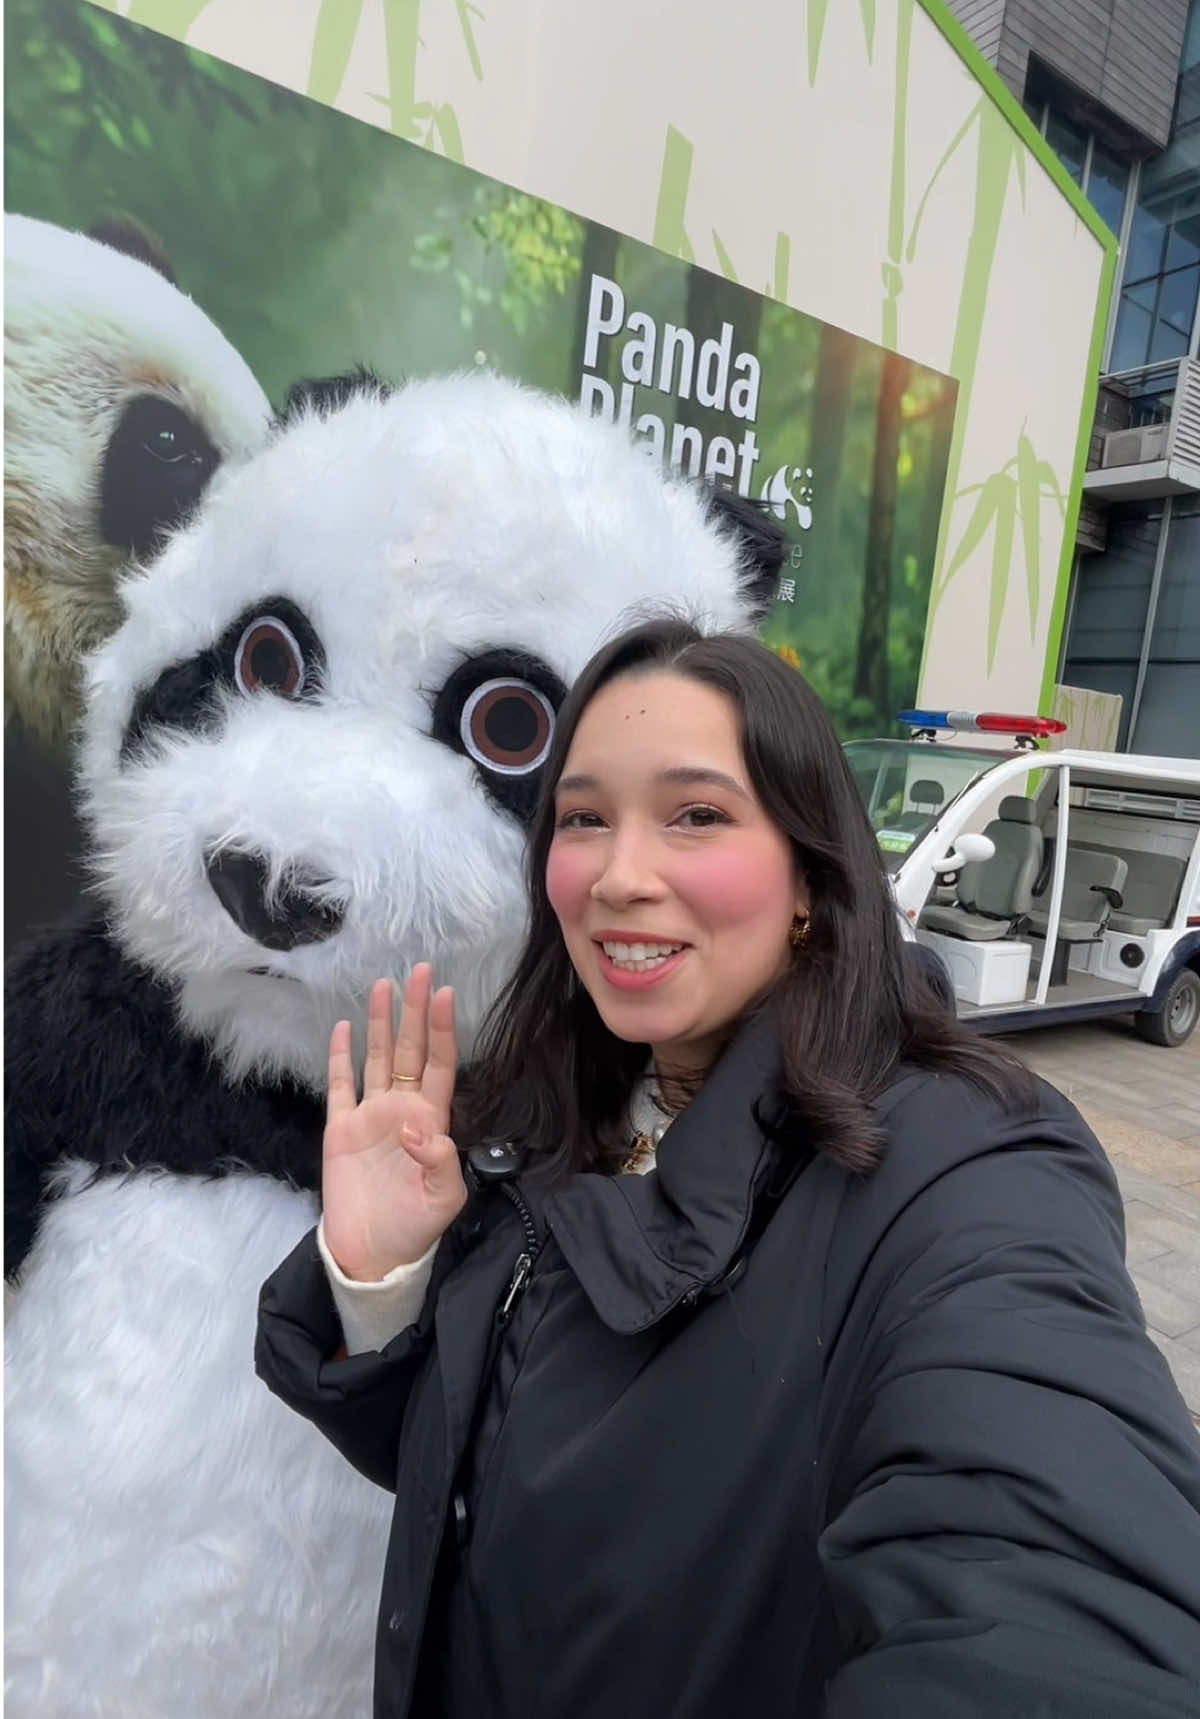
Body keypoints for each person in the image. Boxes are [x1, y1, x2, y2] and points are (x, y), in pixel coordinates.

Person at [256, 616, 1200, 1719]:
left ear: (809, 873)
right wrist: (383, 1280)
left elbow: (1051, 1579)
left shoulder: (967, 1166)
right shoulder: (542, 1108)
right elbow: (478, 1471)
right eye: (583, 818)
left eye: (697, 815)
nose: (619, 876)